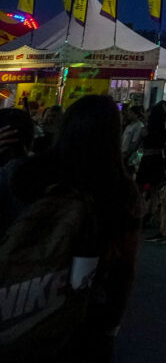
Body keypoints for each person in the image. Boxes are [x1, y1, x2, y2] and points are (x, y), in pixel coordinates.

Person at [0, 95, 141, 360]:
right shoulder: (119, 189)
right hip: (84, 312)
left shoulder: (25, 173)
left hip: (19, 300)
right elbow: (125, 269)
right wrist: (111, 326)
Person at [118, 104, 145, 174]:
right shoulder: (129, 125)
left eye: (131, 113)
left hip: (129, 157)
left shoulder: (139, 126)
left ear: (136, 114)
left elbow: (134, 143)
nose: (128, 114)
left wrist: (127, 155)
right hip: (123, 154)